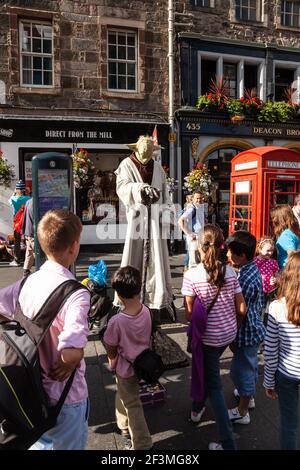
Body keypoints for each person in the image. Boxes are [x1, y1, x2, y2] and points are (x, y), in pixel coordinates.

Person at [0, 209, 90, 450]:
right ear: (74, 247)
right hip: (65, 397)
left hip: (29, 392)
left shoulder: (27, 282)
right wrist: (75, 356)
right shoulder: (77, 294)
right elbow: (69, 353)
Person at [182, 224, 246, 450]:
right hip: (227, 334)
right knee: (210, 371)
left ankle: (228, 442)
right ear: (222, 246)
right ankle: (197, 405)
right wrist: (233, 326)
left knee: (216, 386)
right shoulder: (230, 272)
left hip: (208, 337)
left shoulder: (191, 276)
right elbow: (241, 309)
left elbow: (189, 314)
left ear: (199, 247)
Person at [114, 135, 175, 322]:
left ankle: (156, 299)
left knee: (157, 257)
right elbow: (122, 186)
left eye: (150, 153)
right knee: (134, 255)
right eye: (143, 153)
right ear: (136, 150)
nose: (146, 156)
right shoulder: (125, 164)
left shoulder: (157, 167)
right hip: (138, 217)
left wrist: (168, 216)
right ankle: (130, 298)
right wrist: (140, 188)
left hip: (155, 220)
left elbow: (165, 193)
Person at [103, 265, 153, 451]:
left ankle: (143, 444)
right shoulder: (146, 311)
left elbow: (110, 345)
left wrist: (111, 359)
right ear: (139, 288)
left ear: (118, 293)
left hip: (125, 369)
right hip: (143, 364)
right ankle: (124, 426)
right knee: (125, 394)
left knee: (133, 404)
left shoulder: (117, 321)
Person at [226, 230, 265, 425]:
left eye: (230, 252)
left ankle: (243, 411)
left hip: (246, 332)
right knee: (244, 367)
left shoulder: (245, 279)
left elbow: (240, 312)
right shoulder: (250, 269)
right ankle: (245, 396)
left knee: (245, 371)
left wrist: (232, 334)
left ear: (241, 255)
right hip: (253, 329)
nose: (227, 255)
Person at [263, 251, 300, 450]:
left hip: (287, 374)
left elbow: (270, 351)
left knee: (289, 425)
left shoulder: (277, 307)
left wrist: (269, 380)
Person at [254, 237, 279, 323]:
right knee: (257, 309)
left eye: (272, 251)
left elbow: (277, 275)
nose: (270, 253)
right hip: (257, 291)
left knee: (266, 311)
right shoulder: (254, 261)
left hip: (269, 292)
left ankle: (265, 325)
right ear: (260, 249)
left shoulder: (273, 262)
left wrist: (275, 280)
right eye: (268, 250)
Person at [178, 191, 205, 269]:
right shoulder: (192, 209)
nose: (199, 200)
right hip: (194, 237)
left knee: (196, 259)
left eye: (201, 198)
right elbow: (180, 220)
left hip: (199, 236)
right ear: (192, 198)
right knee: (194, 260)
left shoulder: (198, 207)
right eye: (197, 198)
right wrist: (189, 233)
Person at [8, 180, 30, 267]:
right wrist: (27, 192)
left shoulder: (13, 199)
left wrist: (14, 192)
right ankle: (28, 258)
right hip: (26, 221)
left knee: (17, 241)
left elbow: (9, 199)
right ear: (24, 190)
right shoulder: (28, 199)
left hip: (17, 222)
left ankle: (17, 260)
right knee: (27, 240)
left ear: (16, 189)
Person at [270, 204, 300, 270]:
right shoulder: (293, 231)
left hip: (287, 270)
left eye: (274, 217)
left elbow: (292, 257)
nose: (273, 220)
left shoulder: (286, 235)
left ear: (280, 218)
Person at [22, 197, 35, 278]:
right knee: (37, 253)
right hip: (33, 233)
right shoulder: (37, 203)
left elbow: (25, 217)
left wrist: (24, 232)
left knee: (29, 252)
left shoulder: (28, 201)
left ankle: (26, 271)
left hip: (28, 231)